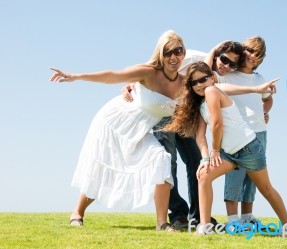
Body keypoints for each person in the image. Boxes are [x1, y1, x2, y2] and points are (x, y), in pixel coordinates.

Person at [48, 30, 189, 232]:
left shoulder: (183, 82)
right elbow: (113, 75)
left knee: (161, 158)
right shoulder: (148, 72)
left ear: (183, 52)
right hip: (114, 124)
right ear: (160, 54)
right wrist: (77, 76)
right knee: (103, 168)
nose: (173, 57)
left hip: (140, 131)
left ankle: (161, 223)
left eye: (178, 50)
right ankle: (77, 212)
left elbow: (210, 87)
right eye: (167, 52)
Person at [120, 41, 244, 229]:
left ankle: (198, 215)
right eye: (224, 59)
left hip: (186, 117)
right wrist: (133, 82)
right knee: (168, 163)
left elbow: (233, 93)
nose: (226, 66)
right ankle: (178, 214)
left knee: (196, 161)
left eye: (232, 64)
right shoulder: (193, 57)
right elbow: (156, 66)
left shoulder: (220, 77)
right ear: (216, 54)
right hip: (164, 114)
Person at [163, 61, 287, 234]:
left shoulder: (212, 91)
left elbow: (217, 124)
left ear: (212, 78)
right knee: (203, 175)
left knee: (266, 190)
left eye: (203, 79)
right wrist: (205, 158)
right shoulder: (200, 105)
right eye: (194, 82)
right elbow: (200, 136)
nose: (200, 84)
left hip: (248, 149)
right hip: (229, 155)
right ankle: (205, 225)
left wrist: (215, 150)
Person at [217, 36, 272, 227]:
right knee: (234, 173)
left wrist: (265, 111)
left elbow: (268, 98)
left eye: (258, 54)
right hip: (236, 133)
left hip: (259, 132)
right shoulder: (227, 75)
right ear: (243, 50)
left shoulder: (260, 79)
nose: (253, 56)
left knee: (254, 176)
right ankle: (232, 220)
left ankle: (247, 217)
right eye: (249, 50)